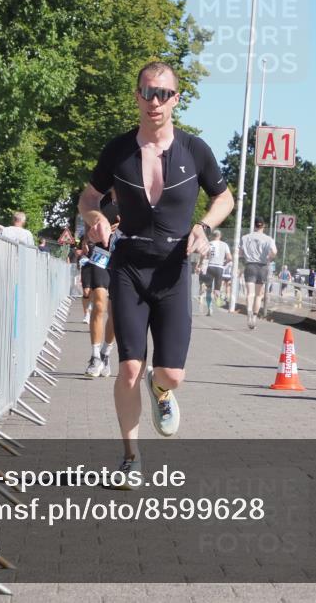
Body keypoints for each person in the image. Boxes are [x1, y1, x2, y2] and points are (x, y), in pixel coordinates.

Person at [78, 61, 234, 481]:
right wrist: (94, 218)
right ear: (137, 96)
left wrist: (203, 226)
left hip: (172, 271)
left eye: (163, 93)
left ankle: (161, 389)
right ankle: (130, 457)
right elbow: (88, 197)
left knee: (173, 374)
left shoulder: (194, 150)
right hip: (128, 267)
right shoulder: (118, 150)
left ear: (175, 99)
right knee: (128, 366)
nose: (155, 101)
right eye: (147, 92)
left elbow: (225, 199)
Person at [83, 196, 120, 379]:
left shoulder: (136, 194)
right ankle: (95, 356)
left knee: (115, 312)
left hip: (123, 258)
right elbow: (86, 214)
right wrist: (88, 235)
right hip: (101, 254)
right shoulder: (101, 199)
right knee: (98, 305)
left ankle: (106, 353)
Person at [240, 217, 277, 328]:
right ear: (263, 226)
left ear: (255, 226)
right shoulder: (268, 239)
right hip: (262, 266)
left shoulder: (245, 237)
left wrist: (245, 255)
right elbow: (274, 252)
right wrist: (269, 258)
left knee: (249, 293)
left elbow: (240, 252)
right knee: (258, 295)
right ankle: (255, 317)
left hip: (250, 265)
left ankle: (249, 311)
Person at [201, 229, 232, 315]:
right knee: (217, 289)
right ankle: (218, 302)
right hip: (219, 268)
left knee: (208, 289)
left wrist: (200, 264)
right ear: (220, 236)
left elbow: (204, 255)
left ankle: (209, 308)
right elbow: (230, 258)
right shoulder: (225, 244)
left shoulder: (209, 243)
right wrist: (224, 262)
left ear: (212, 236)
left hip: (210, 266)